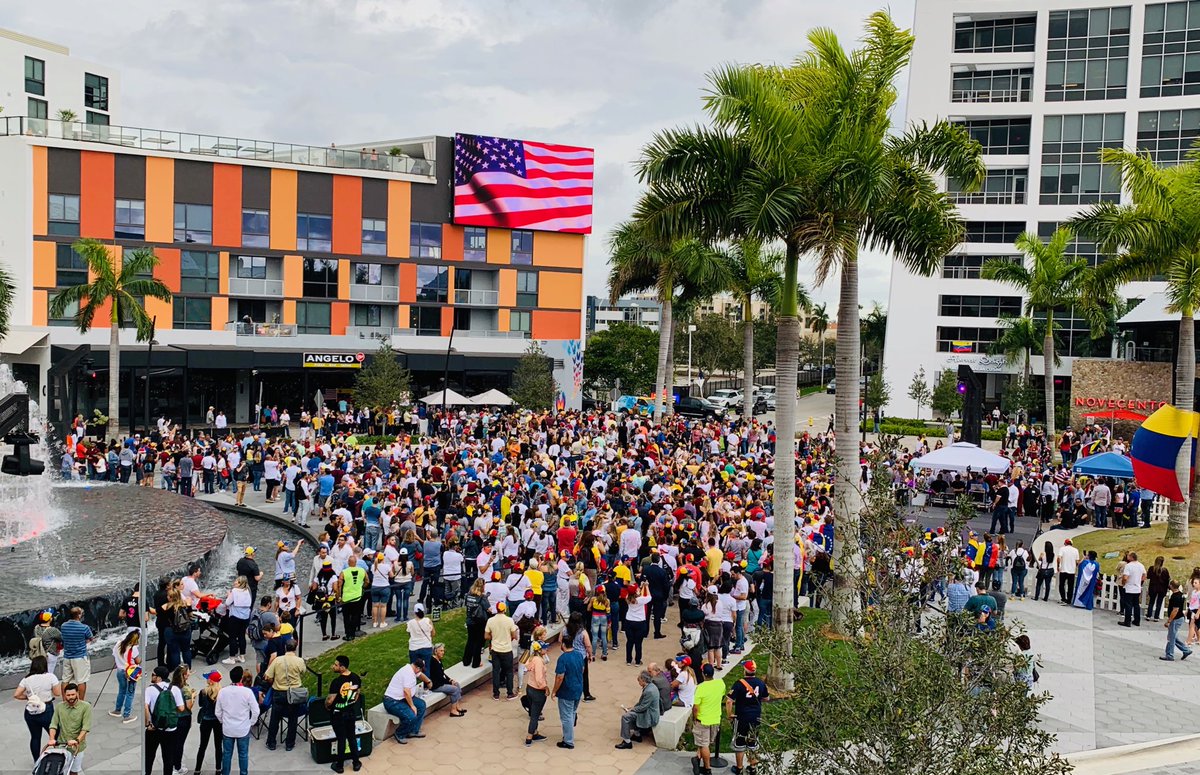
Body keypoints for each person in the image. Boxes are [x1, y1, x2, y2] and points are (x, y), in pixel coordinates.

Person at [14, 655, 61, 764]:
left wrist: (28, 697)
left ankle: (37, 761)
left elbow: (16, 694)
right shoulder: (51, 677)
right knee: (55, 734)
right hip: (46, 709)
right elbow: (57, 693)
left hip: (30, 711)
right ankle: (56, 757)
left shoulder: (26, 679)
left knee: (35, 737)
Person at [726, 659, 768, 775]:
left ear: (745, 670)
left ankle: (739, 768)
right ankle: (752, 767)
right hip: (756, 717)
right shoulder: (760, 683)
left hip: (742, 717)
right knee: (752, 742)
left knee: (740, 742)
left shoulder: (739, 683)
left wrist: (729, 715)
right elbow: (766, 698)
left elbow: (729, 701)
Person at [263, 639, 307, 751]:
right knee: (293, 719)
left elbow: (267, 676)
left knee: (275, 718)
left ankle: (272, 742)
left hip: (279, 692)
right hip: (294, 693)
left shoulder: (278, 660)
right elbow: (303, 672)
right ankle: (289, 743)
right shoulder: (299, 661)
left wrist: (273, 681)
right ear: (295, 648)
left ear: (285, 647)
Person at [215, 666, 258, 775]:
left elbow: (218, 712)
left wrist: (223, 721)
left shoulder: (223, 692)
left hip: (228, 728)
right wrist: (250, 723)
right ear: (241, 678)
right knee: (243, 754)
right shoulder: (247, 692)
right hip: (242, 728)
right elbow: (256, 711)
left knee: (227, 754)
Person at [326, 655, 364, 773]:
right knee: (352, 737)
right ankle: (356, 763)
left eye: (336, 665)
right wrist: (351, 703)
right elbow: (357, 693)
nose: (333, 666)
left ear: (342, 667)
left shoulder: (336, 682)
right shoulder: (356, 678)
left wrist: (327, 706)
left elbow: (330, 700)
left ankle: (340, 765)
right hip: (350, 712)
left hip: (338, 714)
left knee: (341, 739)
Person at [145, 665, 185, 775]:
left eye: (153, 675)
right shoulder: (175, 689)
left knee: (149, 756)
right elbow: (181, 708)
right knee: (168, 758)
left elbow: (146, 707)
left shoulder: (150, 689)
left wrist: (148, 723)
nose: (151, 676)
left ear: (158, 678)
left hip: (155, 727)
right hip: (171, 729)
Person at [46, 682, 91, 775]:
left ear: (77, 693)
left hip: (77, 746)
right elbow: (53, 724)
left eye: (73, 694)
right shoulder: (60, 707)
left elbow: (85, 728)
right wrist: (51, 739)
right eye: (68, 695)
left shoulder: (85, 707)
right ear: (65, 695)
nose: (70, 697)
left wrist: (77, 740)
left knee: (73, 771)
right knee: (58, 770)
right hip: (61, 744)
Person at [552, 630, 586, 750]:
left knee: (566, 716)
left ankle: (568, 740)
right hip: (578, 688)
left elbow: (560, 676)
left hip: (567, 691)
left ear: (563, 645)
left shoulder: (563, 658)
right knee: (572, 713)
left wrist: (554, 690)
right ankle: (568, 735)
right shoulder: (579, 655)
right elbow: (582, 669)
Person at [382, 658, 427, 745]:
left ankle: (414, 731)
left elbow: (420, 676)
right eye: (420, 670)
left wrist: (428, 681)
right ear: (417, 668)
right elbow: (406, 692)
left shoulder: (412, 669)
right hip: (392, 701)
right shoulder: (408, 673)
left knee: (421, 705)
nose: (420, 672)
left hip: (402, 698)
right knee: (411, 716)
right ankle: (400, 733)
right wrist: (412, 706)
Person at [614, 670, 661, 749]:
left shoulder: (649, 691)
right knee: (631, 715)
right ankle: (637, 734)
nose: (638, 682)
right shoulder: (651, 686)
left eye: (639, 680)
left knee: (626, 717)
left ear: (643, 680)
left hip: (649, 715)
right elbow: (642, 704)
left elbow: (643, 707)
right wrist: (633, 708)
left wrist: (632, 710)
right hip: (648, 711)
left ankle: (627, 741)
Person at [691, 663, 724, 775]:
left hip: (702, 720)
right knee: (706, 743)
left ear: (703, 674)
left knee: (704, 744)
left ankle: (707, 768)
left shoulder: (700, 688)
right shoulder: (721, 684)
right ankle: (697, 758)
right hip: (715, 719)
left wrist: (694, 719)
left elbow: (696, 707)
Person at [59, 607, 94, 701]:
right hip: (80, 657)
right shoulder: (84, 627)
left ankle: (65, 701)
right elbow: (91, 638)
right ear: (79, 615)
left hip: (67, 656)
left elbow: (63, 638)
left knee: (65, 680)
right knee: (81, 681)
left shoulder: (63, 626)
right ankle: (81, 702)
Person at [485, 601, 519, 700]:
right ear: (505, 609)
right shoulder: (509, 620)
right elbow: (513, 635)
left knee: (495, 671)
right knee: (509, 672)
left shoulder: (491, 620)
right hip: (507, 650)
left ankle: (496, 694)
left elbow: (486, 636)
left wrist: (494, 636)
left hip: (495, 649)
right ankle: (509, 693)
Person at [195, 671, 224, 775]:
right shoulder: (222, 692)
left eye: (207, 678)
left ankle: (197, 770)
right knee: (218, 746)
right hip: (218, 722)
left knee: (202, 746)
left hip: (206, 721)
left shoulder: (203, 692)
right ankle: (218, 769)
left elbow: (200, 705)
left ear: (211, 681)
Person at [427, 643, 467, 717]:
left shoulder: (438, 660)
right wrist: (449, 682)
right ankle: (453, 711)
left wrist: (450, 680)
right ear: (435, 651)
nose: (443, 652)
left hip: (440, 683)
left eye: (443, 651)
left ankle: (457, 707)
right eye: (441, 651)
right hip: (436, 686)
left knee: (457, 684)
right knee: (454, 689)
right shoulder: (433, 662)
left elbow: (442, 674)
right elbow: (439, 677)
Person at [109, 628, 140, 722]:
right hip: (131, 672)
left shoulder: (118, 644)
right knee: (130, 693)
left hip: (120, 670)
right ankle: (126, 715)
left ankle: (117, 710)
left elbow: (114, 655)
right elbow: (137, 661)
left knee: (122, 691)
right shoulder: (133, 649)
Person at [222, 576, 253, 665]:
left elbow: (227, 603)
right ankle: (242, 656)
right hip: (245, 617)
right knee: (242, 636)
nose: (235, 582)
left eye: (237, 581)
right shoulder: (248, 591)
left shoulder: (234, 591)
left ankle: (232, 657)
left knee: (232, 637)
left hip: (235, 616)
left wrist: (229, 595)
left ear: (240, 583)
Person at [336, 553, 368, 641]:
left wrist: (338, 596)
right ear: (356, 562)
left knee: (346, 617)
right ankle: (353, 633)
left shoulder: (344, 572)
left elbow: (339, 585)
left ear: (348, 562)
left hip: (347, 598)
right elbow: (367, 581)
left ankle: (348, 634)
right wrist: (362, 587)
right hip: (357, 597)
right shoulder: (362, 570)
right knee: (355, 615)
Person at [523, 640, 548, 746]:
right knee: (535, 715)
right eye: (544, 647)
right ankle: (529, 737)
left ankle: (535, 733)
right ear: (539, 649)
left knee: (534, 711)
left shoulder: (531, 658)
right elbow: (539, 678)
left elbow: (523, 662)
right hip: (538, 690)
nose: (546, 649)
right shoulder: (538, 661)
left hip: (529, 687)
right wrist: (545, 687)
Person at [1162, 580, 1194, 662]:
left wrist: (1169, 621)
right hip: (1179, 618)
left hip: (1176, 619)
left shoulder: (1175, 597)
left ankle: (1170, 655)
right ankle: (1186, 650)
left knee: (1171, 638)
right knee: (1174, 636)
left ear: (1171, 586)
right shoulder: (1180, 595)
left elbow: (1175, 610)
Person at [624, 580, 653, 666]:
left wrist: (640, 587)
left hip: (629, 621)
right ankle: (637, 661)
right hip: (640, 622)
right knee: (638, 643)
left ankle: (628, 660)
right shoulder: (640, 600)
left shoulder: (627, 597)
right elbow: (649, 597)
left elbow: (633, 593)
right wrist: (646, 586)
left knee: (629, 641)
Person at [463, 578, 490, 669]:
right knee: (478, 642)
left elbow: (466, 605)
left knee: (470, 640)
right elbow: (488, 608)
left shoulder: (468, 595)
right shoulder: (482, 597)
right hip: (480, 621)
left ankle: (466, 661)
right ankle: (476, 663)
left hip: (470, 620)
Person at [1120, 552, 1147, 627]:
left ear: (1131, 557)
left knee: (1128, 605)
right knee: (1136, 605)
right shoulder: (1141, 565)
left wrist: (1123, 583)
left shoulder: (1128, 566)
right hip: (1137, 588)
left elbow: (1125, 577)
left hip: (1129, 587)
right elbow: (1145, 575)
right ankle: (1137, 621)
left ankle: (1127, 621)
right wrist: (1140, 581)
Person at [1147, 556, 1171, 622]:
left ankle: (1149, 615)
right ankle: (1156, 617)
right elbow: (1167, 579)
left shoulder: (1152, 568)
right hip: (1162, 588)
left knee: (1151, 602)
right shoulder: (1165, 570)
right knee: (1159, 603)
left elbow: (1148, 576)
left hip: (1153, 587)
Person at [1058, 539, 1080, 604]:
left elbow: (1059, 558)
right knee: (1070, 586)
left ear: (1065, 543)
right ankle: (1069, 600)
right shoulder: (1076, 550)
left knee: (1061, 585)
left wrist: (1058, 566)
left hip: (1063, 570)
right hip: (1072, 571)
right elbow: (1077, 561)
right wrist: (1075, 567)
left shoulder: (1062, 549)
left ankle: (1063, 598)